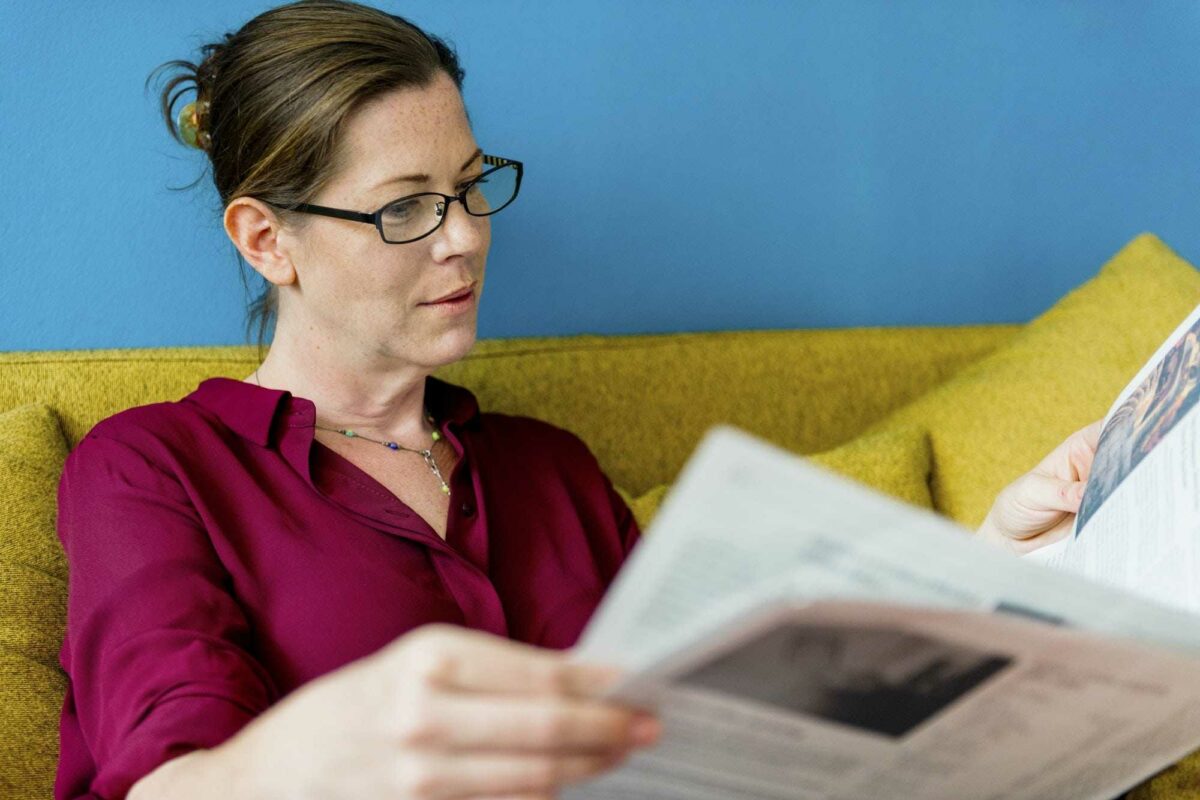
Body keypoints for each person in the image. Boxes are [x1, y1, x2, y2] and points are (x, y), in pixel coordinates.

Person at [52, 1, 1104, 797]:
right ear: (266, 238)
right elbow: (170, 777)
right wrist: (346, 735)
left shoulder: (543, 464)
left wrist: (997, 562)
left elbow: (730, 716)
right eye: (407, 207)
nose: (465, 234)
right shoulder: (151, 465)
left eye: (469, 186)